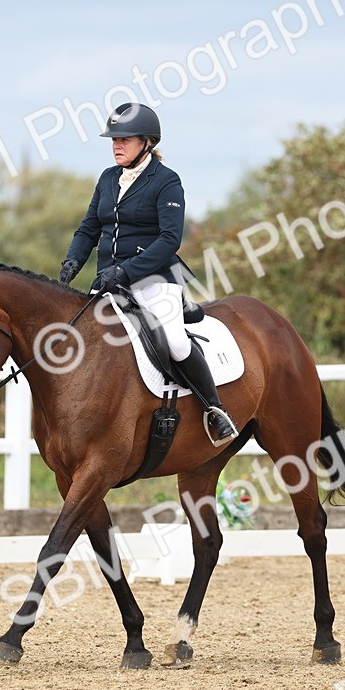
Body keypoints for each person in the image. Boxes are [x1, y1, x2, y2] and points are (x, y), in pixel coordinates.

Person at [59, 102, 238, 446]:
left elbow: (169, 239)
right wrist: (72, 262)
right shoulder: (108, 178)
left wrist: (124, 270)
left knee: (174, 340)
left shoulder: (166, 181)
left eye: (125, 139)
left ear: (147, 142)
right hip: (109, 282)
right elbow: (88, 228)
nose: (117, 145)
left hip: (154, 281)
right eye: (114, 139)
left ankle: (215, 410)